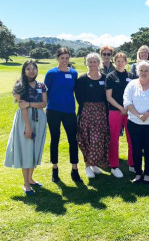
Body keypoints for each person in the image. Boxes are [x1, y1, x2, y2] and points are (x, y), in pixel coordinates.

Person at [5, 61, 47, 195]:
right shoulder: (19, 86)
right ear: (24, 71)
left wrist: (29, 103)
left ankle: (30, 178)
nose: (31, 71)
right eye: (28, 69)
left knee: (35, 149)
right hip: (25, 120)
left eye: (34, 68)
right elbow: (23, 108)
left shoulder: (42, 85)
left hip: (39, 118)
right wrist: (28, 127)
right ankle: (26, 184)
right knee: (27, 150)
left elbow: (44, 104)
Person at [45, 47, 82, 183]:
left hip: (69, 111)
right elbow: (46, 92)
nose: (65, 61)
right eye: (62, 58)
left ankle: (75, 170)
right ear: (57, 58)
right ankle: (55, 170)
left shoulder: (74, 73)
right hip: (53, 111)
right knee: (55, 139)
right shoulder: (51, 73)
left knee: (73, 140)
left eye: (67, 58)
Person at [123, 61, 149, 183]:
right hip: (134, 123)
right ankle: (138, 173)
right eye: (141, 70)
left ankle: (147, 174)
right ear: (137, 72)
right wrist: (138, 115)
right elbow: (126, 101)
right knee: (136, 149)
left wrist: (148, 114)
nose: (144, 73)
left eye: (146, 70)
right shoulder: (132, 85)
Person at [75, 53, 109, 178]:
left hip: (101, 113)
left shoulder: (105, 78)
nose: (92, 64)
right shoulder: (82, 80)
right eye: (90, 62)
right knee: (86, 139)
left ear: (99, 63)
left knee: (98, 139)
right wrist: (88, 109)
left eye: (95, 61)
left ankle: (94, 163)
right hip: (86, 112)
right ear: (86, 63)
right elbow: (79, 98)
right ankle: (88, 165)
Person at [105, 52, 135, 178]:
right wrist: (120, 108)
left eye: (122, 61)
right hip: (114, 111)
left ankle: (132, 164)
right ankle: (114, 166)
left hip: (129, 111)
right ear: (115, 62)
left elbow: (135, 94)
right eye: (118, 61)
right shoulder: (110, 77)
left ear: (126, 62)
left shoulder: (132, 76)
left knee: (132, 138)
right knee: (114, 139)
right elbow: (108, 97)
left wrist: (128, 108)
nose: (120, 63)